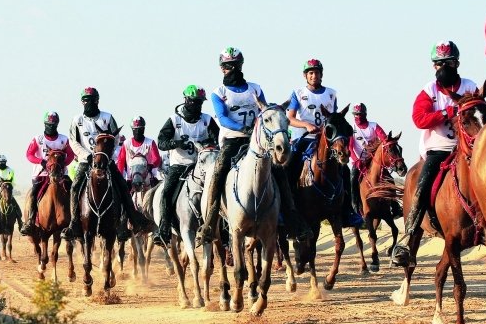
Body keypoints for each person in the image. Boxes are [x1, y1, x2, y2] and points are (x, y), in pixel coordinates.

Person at [197, 47, 311, 244]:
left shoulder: (255, 88)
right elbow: (223, 119)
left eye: (232, 66)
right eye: (225, 66)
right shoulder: (219, 93)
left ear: (240, 66)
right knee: (218, 172)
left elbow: (265, 111)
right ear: (221, 68)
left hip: (258, 141)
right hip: (233, 140)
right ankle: (210, 221)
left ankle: (292, 220)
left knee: (280, 173)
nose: (229, 70)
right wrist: (245, 129)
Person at [404, 41, 478, 237]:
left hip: (468, 147)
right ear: (433, 66)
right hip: (439, 148)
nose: (444, 67)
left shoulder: (470, 86)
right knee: (422, 184)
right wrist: (447, 112)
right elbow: (419, 119)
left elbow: (481, 112)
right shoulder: (429, 90)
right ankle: (409, 233)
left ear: (457, 64)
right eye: (439, 63)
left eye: (449, 62)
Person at [62, 87, 152, 240]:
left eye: (91, 100)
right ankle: (74, 223)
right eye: (85, 100)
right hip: (86, 161)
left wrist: (106, 154)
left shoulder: (107, 117)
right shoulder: (77, 120)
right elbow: (73, 141)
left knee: (123, 186)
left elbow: (116, 138)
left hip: (105, 160)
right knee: (75, 188)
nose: (88, 103)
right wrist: (87, 155)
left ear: (97, 100)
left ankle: (133, 220)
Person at [287, 58, 362, 227]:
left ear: (321, 74)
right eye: (311, 73)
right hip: (304, 138)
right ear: (305, 76)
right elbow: (290, 118)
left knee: (344, 170)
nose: (314, 76)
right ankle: (287, 208)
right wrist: (306, 124)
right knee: (289, 166)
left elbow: (333, 118)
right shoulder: (298, 93)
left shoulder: (331, 93)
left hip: (328, 141)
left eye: (317, 72)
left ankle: (348, 211)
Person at [154, 85, 219, 245]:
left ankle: (223, 235)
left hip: (203, 166)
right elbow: (161, 142)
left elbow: (217, 138)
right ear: (186, 100)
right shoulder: (174, 120)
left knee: (221, 190)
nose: (198, 106)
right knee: (167, 192)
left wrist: (208, 142)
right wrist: (175, 143)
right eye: (195, 102)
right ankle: (164, 231)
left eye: (200, 102)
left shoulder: (207, 120)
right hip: (179, 165)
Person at [20, 111, 76, 235]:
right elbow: (29, 155)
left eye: (53, 124)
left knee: (74, 191)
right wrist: (42, 162)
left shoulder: (64, 139)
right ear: (45, 124)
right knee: (33, 195)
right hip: (41, 175)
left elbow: (71, 155)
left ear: (57, 124)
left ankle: (75, 222)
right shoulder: (37, 139)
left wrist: (61, 165)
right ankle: (30, 221)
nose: (51, 126)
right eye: (48, 124)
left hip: (61, 175)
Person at [349, 103, 401, 218]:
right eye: (356, 114)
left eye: (360, 114)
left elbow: (384, 139)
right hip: (359, 162)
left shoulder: (374, 125)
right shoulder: (351, 128)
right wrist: (356, 160)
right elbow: (350, 147)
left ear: (365, 114)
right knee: (352, 179)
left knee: (389, 179)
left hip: (373, 160)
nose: (358, 116)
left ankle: (395, 206)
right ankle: (354, 206)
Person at [116, 116, 162, 187]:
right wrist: (119, 178)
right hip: (131, 181)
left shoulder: (150, 142)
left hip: (150, 179)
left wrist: (150, 166)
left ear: (143, 129)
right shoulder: (126, 143)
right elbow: (120, 162)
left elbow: (157, 159)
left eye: (140, 129)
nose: (137, 132)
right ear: (132, 129)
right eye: (135, 129)